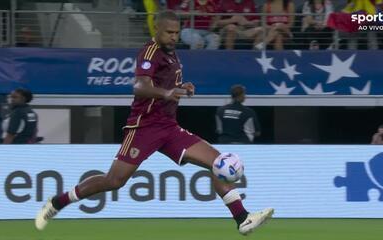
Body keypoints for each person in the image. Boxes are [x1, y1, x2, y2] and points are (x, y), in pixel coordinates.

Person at [35, 11, 273, 236]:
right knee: (113, 181)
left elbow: (166, 86)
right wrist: (168, 92)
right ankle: (57, 202)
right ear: (157, 29)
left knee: (218, 163)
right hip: (143, 128)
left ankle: (242, 219)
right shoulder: (150, 52)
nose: (173, 37)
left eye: (176, 32)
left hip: (168, 127)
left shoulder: (172, 54)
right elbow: (139, 86)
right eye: (168, 32)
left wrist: (182, 88)